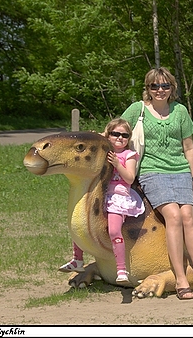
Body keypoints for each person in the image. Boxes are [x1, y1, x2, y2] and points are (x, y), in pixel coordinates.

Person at [121, 67, 193, 300]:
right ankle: (180, 278)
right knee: (173, 215)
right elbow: (117, 130)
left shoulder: (180, 111)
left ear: (172, 88)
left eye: (165, 86)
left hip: (180, 170)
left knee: (188, 216)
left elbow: (189, 148)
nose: (160, 90)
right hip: (152, 171)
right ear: (147, 89)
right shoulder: (137, 109)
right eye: (154, 86)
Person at [59, 118, 145, 284]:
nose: (120, 138)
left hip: (118, 197)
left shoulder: (129, 155)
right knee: (81, 222)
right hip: (101, 195)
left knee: (114, 231)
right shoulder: (104, 150)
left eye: (124, 135)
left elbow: (129, 178)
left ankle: (121, 268)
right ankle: (77, 258)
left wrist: (117, 164)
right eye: (115, 134)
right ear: (108, 135)